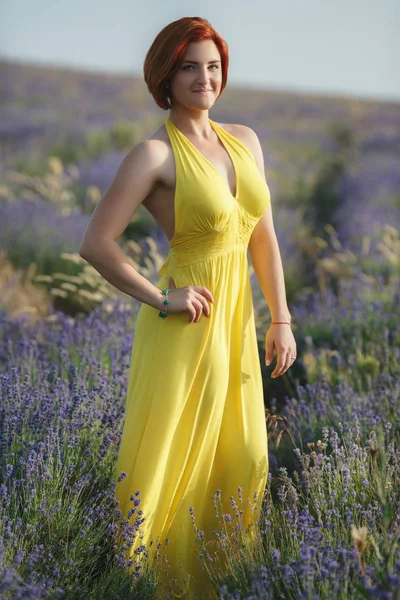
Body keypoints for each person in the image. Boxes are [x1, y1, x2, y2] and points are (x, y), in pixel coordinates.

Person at [79, 15, 297, 600]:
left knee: (244, 456)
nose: (204, 78)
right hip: (187, 322)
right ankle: (145, 586)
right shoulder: (152, 156)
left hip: (238, 320)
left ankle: (223, 585)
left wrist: (281, 318)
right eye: (189, 67)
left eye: (213, 66)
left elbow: (263, 237)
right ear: (165, 77)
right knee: (175, 460)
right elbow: (95, 244)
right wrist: (160, 299)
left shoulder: (244, 139)